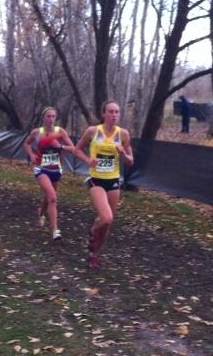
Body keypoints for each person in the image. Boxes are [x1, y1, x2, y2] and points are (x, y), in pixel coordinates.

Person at [73, 100, 134, 269]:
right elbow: (76, 149)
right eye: (111, 111)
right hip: (96, 179)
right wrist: (87, 160)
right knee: (106, 217)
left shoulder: (123, 134)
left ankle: (94, 253)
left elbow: (131, 161)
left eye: (117, 112)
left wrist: (123, 153)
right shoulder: (93, 131)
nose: (114, 115)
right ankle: (93, 230)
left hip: (113, 180)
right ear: (104, 114)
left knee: (107, 224)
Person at [23, 107, 75, 241]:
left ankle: (41, 213)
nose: (51, 119)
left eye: (53, 116)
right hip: (41, 169)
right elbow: (26, 144)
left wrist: (61, 147)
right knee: (52, 197)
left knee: (48, 197)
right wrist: (31, 154)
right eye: (48, 116)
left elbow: (73, 148)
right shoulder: (37, 132)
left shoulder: (61, 132)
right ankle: (55, 230)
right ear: (43, 118)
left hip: (56, 170)